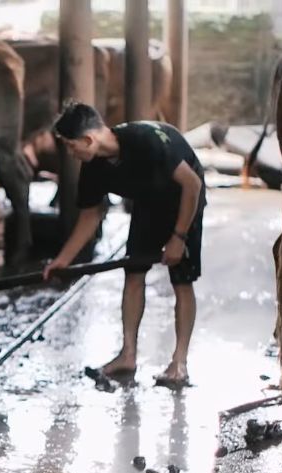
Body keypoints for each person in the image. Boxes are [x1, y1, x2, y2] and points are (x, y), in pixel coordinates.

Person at [43, 102, 206, 387]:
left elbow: (192, 185)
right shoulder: (93, 166)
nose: (71, 153)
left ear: (88, 140)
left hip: (183, 199)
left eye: (71, 146)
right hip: (148, 202)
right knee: (133, 274)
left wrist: (178, 238)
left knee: (181, 280)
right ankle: (128, 354)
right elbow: (91, 215)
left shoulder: (146, 141)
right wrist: (64, 260)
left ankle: (179, 362)